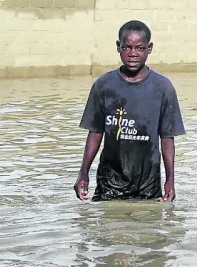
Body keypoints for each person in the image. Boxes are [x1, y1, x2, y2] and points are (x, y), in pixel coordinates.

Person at [74, 20, 185, 202]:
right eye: (127, 47)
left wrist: (170, 179)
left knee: (147, 228)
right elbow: (95, 133)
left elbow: (167, 139)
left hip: (148, 185)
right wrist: (83, 173)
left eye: (140, 48)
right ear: (118, 47)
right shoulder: (103, 86)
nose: (133, 54)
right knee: (108, 228)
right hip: (109, 184)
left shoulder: (163, 88)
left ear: (149, 48)